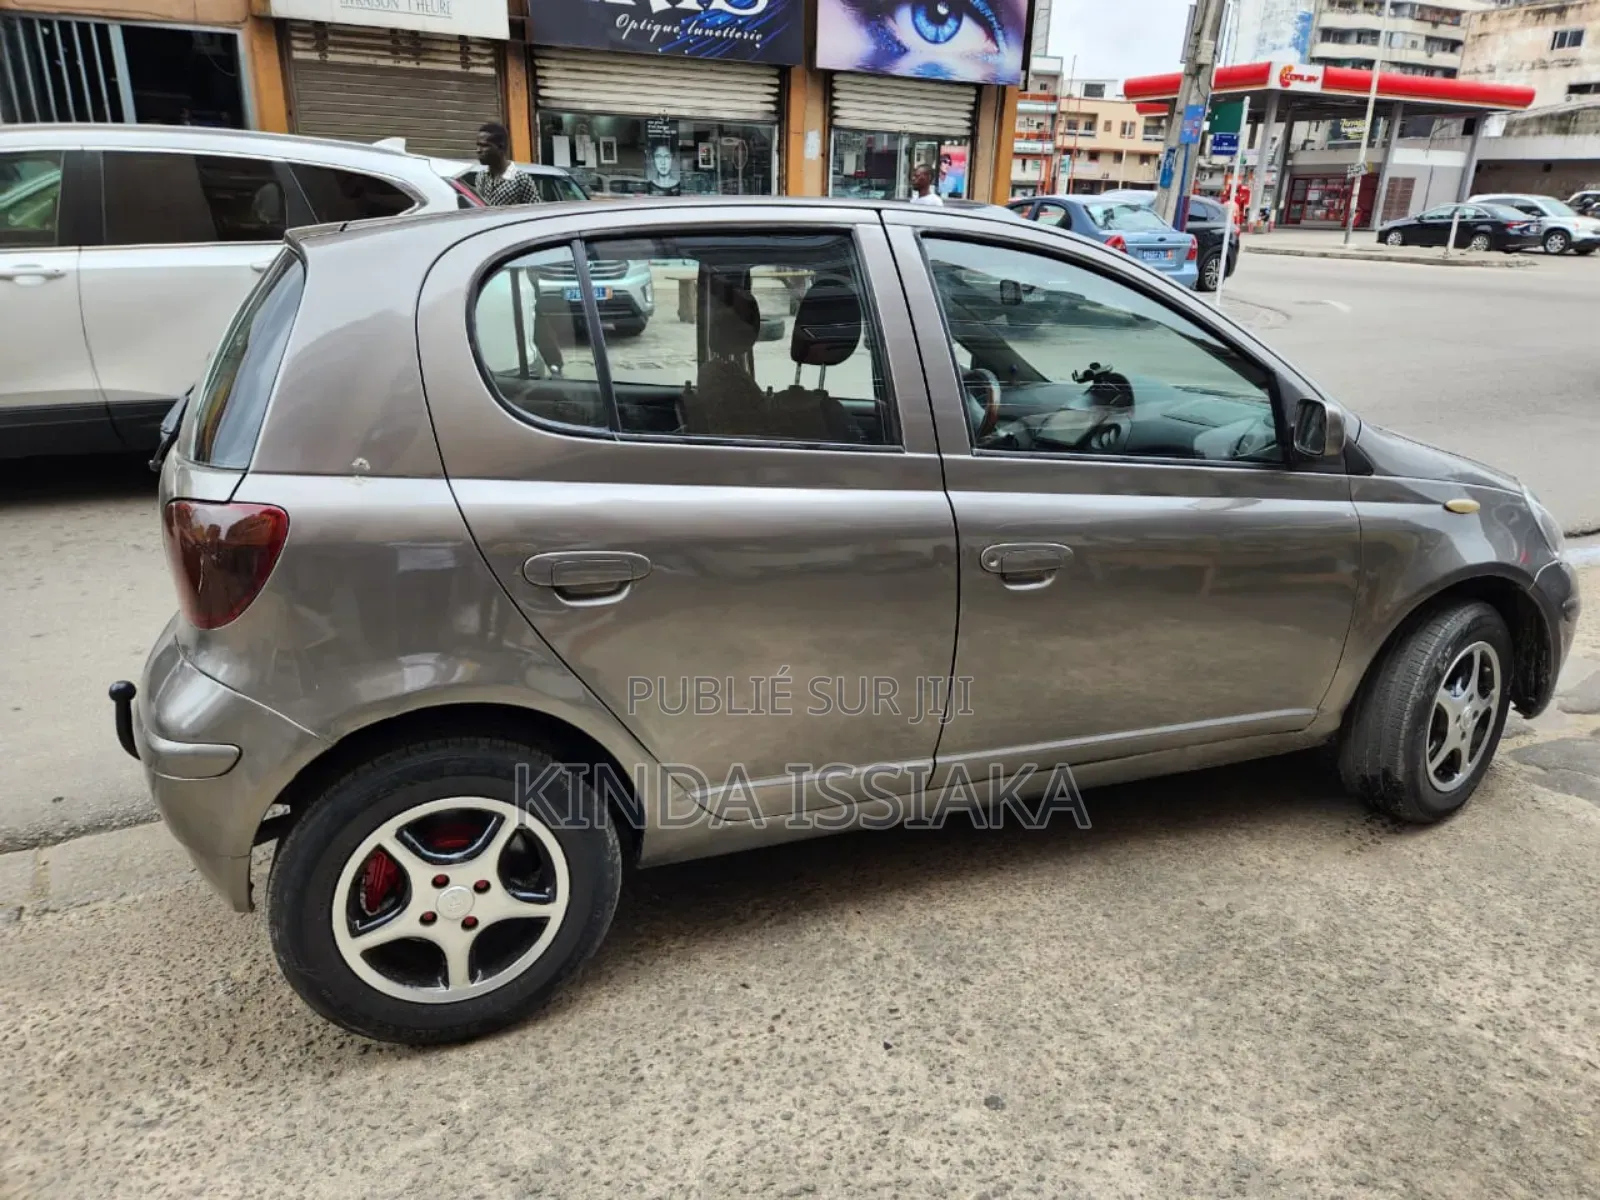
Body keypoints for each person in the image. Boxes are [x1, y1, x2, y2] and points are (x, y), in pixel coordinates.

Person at [460, 122, 541, 206]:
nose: (478, 150)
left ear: (500, 147)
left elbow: (536, 209)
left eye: (484, 146)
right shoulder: (481, 177)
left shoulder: (520, 179)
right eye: (478, 145)